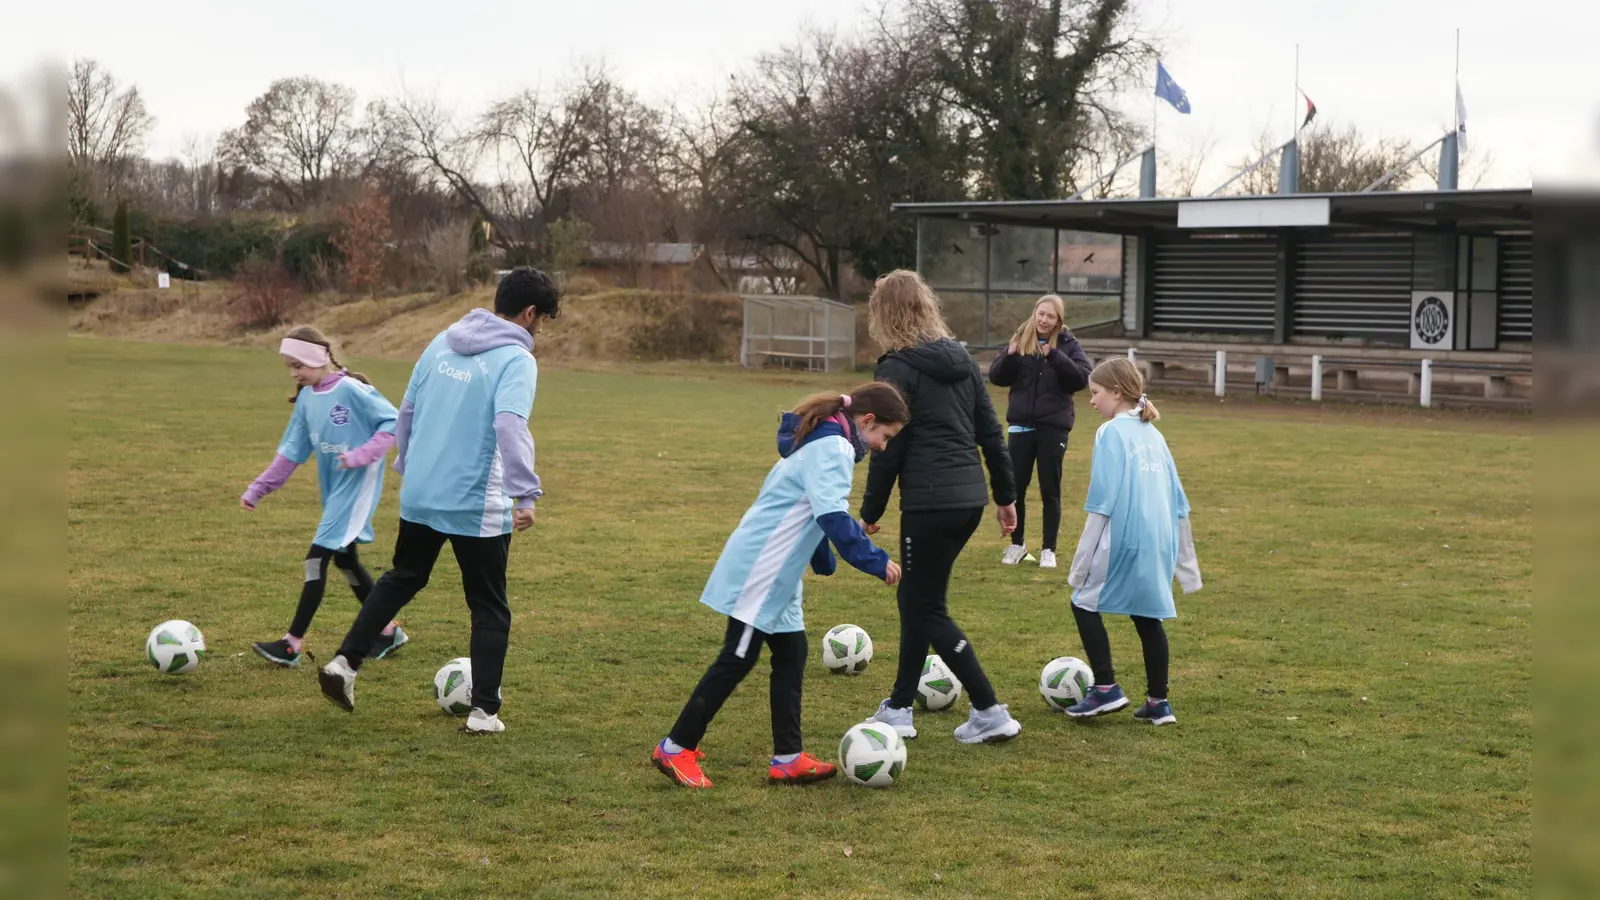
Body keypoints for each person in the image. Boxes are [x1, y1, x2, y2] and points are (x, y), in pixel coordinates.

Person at [317, 267, 559, 734]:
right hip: (475, 501)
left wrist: (410, 465)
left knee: (403, 577)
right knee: (489, 604)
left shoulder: (441, 341)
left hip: (422, 491)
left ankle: (344, 665)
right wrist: (525, 492)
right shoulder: (517, 360)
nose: (541, 328)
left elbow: (407, 409)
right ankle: (484, 713)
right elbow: (510, 426)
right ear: (531, 313)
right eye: (543, 318)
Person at [652, 384, 908, 789]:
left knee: (792, 652)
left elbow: (814, 511)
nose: (881, 446)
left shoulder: (826, 443)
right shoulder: (835, 449)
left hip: (778, 573)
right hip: (762, 567)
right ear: (868, 421)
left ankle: (788, 758)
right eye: (885, 436)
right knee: (736, 658)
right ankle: (676, 746)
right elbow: (833, 517)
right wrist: (876, 561)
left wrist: (822, 558)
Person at [857, 269, 1024, 745]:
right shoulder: (963, 360)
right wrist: (1005, 498)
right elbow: (990, 432)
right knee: (917, 597)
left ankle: (989, 709)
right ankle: (899, 707)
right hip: (967, 500)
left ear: (884, 314)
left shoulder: (895, 368)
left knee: (924, 605)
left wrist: (870, 510)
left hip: (931, 502)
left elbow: (891, 446)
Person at [240, 326, 406, 667]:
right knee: (345, 561)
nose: (293, 373)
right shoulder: (306, 399)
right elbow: (292, 450)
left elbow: (394, 423)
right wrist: (261, 487)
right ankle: (387, 630)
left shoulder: (353, 390)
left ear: (318, 358)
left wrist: (360, 455)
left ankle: (291, 644)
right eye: (289, 366)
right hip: (335, 490)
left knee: (316, 559)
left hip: (357, 487)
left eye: (297, 364)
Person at [1063, 358, 1202, 726]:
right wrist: (1187, 568)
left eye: (1094, 393)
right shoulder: (1153, 433)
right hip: (1158, 539)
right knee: (1147, 616)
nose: (1091, 401)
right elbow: (1179, 501)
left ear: (1116, 392)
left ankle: (1106, 687)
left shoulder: (1111, 432)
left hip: (1121, 539)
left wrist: (1080, 562)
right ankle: (1159, 703)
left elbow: (1102, 502)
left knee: (1083, 602)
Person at [987, 295, 1092, 569]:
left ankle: (1049, 550)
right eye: (1041, 314)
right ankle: (1017, 545)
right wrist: (1008, 356)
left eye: (1051, 316)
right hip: (1021, 426)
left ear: (1059, 320)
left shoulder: (1068, 344)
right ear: (1035, 313)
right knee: (1015, 489)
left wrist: (1055, 357)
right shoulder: (1021, 339)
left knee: (1050, 490)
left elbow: (1081, 378)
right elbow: (997, 376)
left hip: (1053, 428)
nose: (1044, 320)